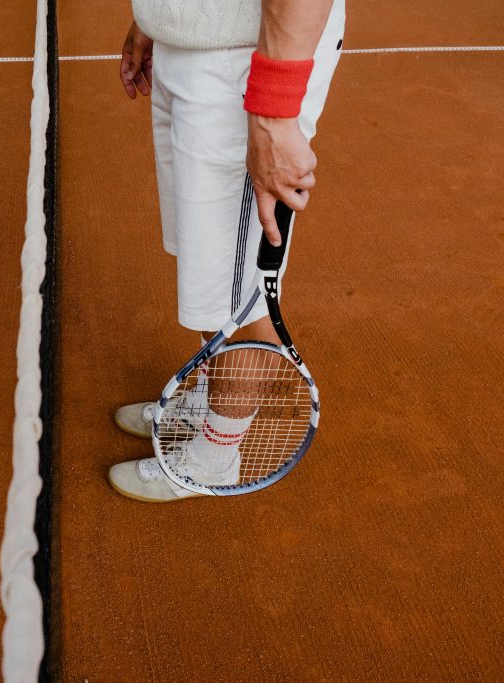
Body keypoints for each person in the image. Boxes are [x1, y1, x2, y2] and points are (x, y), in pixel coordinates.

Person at [107, 0, 345, 501]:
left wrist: (275, 115)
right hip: (196, 47)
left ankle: (214, 458)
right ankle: (209, 400)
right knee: (208, 261)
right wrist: (157, 19)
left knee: (241, 296)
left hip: (244, 69)